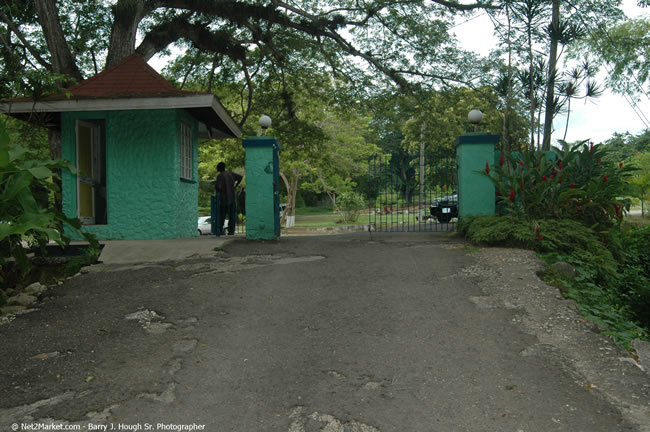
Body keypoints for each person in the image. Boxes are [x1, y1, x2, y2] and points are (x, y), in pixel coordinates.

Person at [215, 162, 243, 235]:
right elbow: (240, 177)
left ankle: (220, 230)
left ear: (219, 168)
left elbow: (219, 187)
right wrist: (235, 186)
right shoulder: (231, 174)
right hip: (232, 198)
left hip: (223, 199)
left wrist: (217, 190)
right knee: (232, 216)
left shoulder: (220, 176)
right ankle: (231, 231)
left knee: (222, 215)